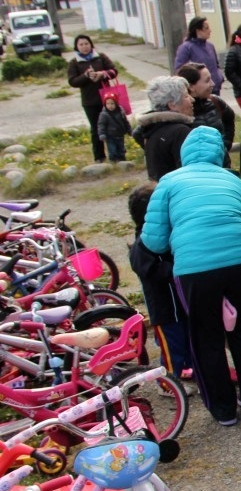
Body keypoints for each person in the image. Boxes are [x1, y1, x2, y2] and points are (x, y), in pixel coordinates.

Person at [139, 126, 241, 426]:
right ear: (220, 153)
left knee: (205, 336)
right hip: (239, 260)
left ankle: (223, 409)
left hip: (195, 267)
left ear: (184, 153)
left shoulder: (169, 181)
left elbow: (154, 241)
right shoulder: (232, 179)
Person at [127, 183, 192, 381]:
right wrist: (177, 268)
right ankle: (167, 383)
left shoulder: (163, 236)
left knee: (187, 342)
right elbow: (152, 270)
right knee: (172, 349)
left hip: (180, 306)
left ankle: (188, 370)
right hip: (164, 311)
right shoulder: (141, 245)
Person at [66, 35, 119, 163]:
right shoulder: (74, 62)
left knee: (112, 126)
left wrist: (102, 74)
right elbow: (72, 81)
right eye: (81, 44)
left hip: (107, 99)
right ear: (76, 47)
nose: (84, 47)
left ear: (91, 44)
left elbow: (114, 71)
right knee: (96, 129)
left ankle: (116, 154)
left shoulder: (101, 57)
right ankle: (99, 156)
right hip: (89, 101)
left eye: (86, 43)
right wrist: (85, 76)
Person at [134, 76, 195, 181]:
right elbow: (190, 174)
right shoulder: (180, 132)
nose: (192, 99)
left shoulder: (151, 130)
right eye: (186, 96)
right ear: (172, 105)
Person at [176, 62, 235, 167]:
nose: (212, 83)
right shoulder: (179, 112)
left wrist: (225, 145)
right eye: (207, 80)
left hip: (222, 168)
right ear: (191, 86)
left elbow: (230, 118)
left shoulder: (215, 102)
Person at [174, 17, 224, 95]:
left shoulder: (210, 46)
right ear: (198, 31)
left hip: (215, 88)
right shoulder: (186, 48)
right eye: (206, 28)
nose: (210, 31)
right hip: (199, 92)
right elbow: (180, 70)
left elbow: (216, 65)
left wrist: (219, 77)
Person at [96, 91, 131, 163]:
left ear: (116, 103)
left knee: (121, 149)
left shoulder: (121, 112)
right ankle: (113, 162)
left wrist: (129, 130)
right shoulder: (104, 114)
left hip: (120, 135)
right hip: (110, 137)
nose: (110, 106)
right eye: (108, 104)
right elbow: (101, 125)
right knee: (112, 151)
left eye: (112, 103)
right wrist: (102, 134)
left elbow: (125, 122)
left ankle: (122, 160)